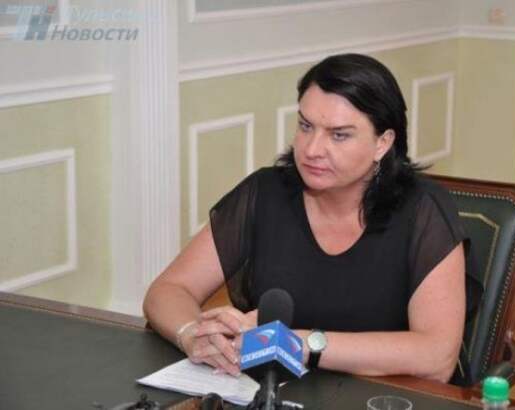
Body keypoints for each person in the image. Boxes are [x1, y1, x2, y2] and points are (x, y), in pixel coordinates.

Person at [144, 53, 476, 383]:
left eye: (339, 134)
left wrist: (297, 344)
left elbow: (436, 357)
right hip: (277, 391)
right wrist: (192, 334)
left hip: (382, 398)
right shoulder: (265, 192)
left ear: (383, 143)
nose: (312, 149)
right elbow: (168, 289)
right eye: (305, 126)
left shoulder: (423, 210)